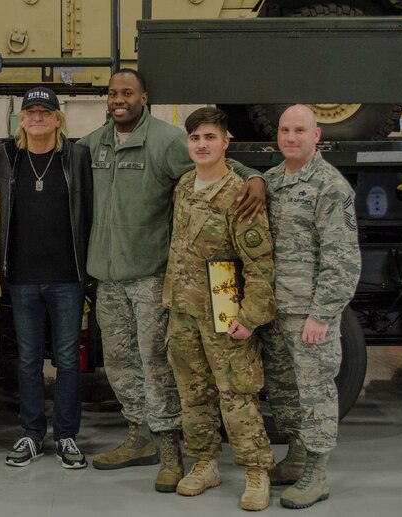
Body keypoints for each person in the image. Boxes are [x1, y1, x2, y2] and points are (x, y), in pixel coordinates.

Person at [77, 68, 266, 492]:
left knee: (156, 366)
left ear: (144, 97)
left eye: (127, 92)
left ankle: (168, 453)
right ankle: (138, 438)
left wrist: (254, 175)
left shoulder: (165, 141)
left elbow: (211, 160)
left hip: (149, 276)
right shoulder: (95, 144)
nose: (118, 99)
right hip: (107, 278)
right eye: (112, 93)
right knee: (122, 366)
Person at [163, 107, 275, 511]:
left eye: (210, 137)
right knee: (193, 395)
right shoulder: (184, 186)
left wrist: (249, 317)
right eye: (195, 138)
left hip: (224, 310)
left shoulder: (240, 193)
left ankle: (256, 471)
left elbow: (260, 265)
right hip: (183, 310)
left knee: (237, 394)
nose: (202, 144)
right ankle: (204, 463)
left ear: (225, 143)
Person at [261, 104, 361, 509]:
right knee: (285, 394)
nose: (290, 137)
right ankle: (296, 456)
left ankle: (317, 473)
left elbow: (342, 259)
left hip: (308, 314)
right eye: (285, 130)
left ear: (316, 135)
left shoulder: (330, 187)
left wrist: (322, 315)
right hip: (275, 310)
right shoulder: (270, 181)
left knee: (315, 392)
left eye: (300, 130)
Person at [0, 87, 93, 469]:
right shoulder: (8, 159)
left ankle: (66, 435)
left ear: (57, 118)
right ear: (22, 119)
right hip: (22, 279)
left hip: (67, 277)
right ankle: (32, 434)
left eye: (44, 112)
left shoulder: (75, 157)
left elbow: (89, 211)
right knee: (29, 360)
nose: (37, 118)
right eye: (30, 112)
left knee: (67, 360)